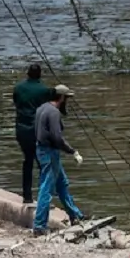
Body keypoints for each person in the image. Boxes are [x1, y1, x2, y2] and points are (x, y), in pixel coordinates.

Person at [33, 85, 86, 236]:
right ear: (62, 98)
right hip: (50, 153)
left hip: (41, 150)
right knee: (46, 189)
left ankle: (75, 215)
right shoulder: (54, 113)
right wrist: (73, 151)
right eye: (67, 98)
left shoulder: (41, 108)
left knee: (62, 184)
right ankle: (39, 226)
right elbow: (57, 138)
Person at [13, 64, 56, 204]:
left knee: (28, 161)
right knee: (43, 164)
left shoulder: (18, 88)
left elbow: (16, 103)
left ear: (27, 73)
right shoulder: (44, 90)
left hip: (21, 129)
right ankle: (45, 198)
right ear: (40, 74)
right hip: (38, 130)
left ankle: (27, 196)